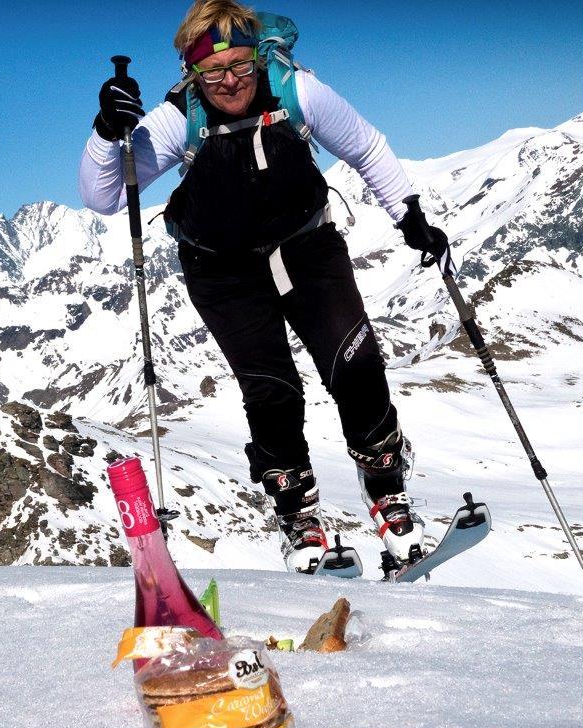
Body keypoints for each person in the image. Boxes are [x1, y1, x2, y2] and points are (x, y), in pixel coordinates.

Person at [78, 0, 450, 575]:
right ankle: (299, 518)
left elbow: (366, 146)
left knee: (353, 362)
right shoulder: (180, 117)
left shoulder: (297, 91)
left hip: (307, 247)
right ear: (192, 73)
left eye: (240, 66)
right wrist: (108, 133)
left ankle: (387, 491)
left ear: (257, 58)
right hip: (222, 270)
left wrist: (409, 215)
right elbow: (104, 195)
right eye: (213, 72)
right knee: (271, 390)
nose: (230, 81)